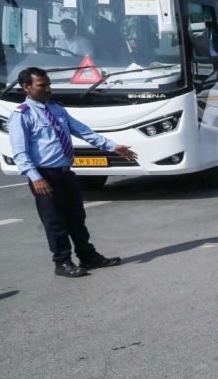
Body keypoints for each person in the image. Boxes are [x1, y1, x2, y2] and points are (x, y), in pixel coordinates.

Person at [8, 67, 138, 278]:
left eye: (48, 84)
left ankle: (88, 256)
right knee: (55, 221)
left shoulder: (58, 109)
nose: (48, 89)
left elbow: (85, 132)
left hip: (65, 173)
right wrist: (36, 178)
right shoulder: (22, 115)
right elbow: (20, 153)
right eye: (42, 85)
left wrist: (113, 147)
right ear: (26, 87)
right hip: (44, 175)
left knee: (77, 217)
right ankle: (62, 262)